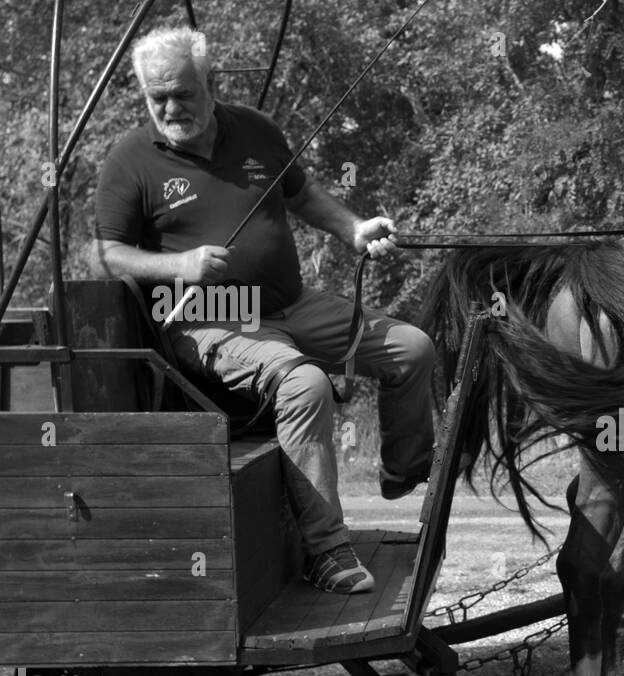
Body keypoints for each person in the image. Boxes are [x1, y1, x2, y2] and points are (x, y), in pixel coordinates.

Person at [93, 25, 436, 594]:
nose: (171, 108)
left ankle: (401, 471)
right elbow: (107, 253)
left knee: (412, 348)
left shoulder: (256, 130)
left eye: (182, 93)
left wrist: (354, 228)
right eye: (158, 98)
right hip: (209, 320)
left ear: (210, 81)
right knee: (305, 386)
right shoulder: (131, 160)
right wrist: (179, 267)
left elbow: (302, 196)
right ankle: (327, 553)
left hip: (293, 304)